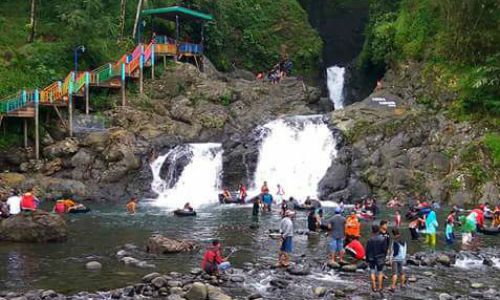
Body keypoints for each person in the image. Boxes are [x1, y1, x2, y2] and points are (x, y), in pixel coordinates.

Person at [366, 224, 389, 292]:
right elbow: (385, 250)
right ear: (378, 230)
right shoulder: (383, 239)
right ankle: (380, 287)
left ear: (372, 231)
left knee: (372, 272)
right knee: (380, 272)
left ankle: (373, 286)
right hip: (380, 258)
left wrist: (367, 259)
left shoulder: (370, 239)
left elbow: (367, 250)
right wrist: (384, 257)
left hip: (371, 258)